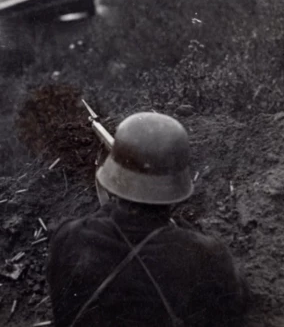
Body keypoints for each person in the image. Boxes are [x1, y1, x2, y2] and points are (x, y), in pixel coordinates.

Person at [47, 112, 249, 327]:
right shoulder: (207, 257)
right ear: (175, 186)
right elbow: (235, 308)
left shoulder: (68, 239)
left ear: (115, 179)